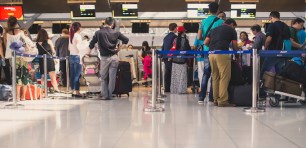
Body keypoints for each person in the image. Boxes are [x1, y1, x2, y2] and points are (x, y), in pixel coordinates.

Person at [89, 17, 129, 100]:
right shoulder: (116, 32)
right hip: (114, 58)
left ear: (104, 22)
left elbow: (91, 44)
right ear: (112, 24)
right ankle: (110, 95)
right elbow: (126, 40)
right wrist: (119, 48)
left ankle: (105, 95)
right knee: (112, 77)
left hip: (105, 58)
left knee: (103, 78)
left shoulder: (98, 32)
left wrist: (88, 53)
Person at [205, 18, 238, 107]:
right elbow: (235, 45)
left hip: (211, 54)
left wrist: (214, 45)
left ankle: (216, 99)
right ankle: (223, 101)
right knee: (224, 77)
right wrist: (237, 54)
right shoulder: (231, 30)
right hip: (222, 54)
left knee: (215, 76)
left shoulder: (213, 29)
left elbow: (206, 42)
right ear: (232, 24)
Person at [197, 2, 224, 104]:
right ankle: (212, 97)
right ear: (218, 10)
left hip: (206, 49)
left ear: (209, 10)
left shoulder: (203, 21)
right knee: (215, 74)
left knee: (206, 74)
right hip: (217, 50)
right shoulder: (221, 22)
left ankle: (201, 97)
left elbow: (199, 37)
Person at [3, 16, 30, 101]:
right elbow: (26, 41)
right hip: (22, 55)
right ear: (16, 23)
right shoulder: (21, 32)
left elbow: (5, 43)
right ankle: (23, 96)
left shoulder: (5, 33)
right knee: (24, 74)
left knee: (16, 75)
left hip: (11, 56)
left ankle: (17, 96)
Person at [261, 11, 291, 78]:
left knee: (264, 71)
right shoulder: (286, 26)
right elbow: (290, 40)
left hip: (273, 52)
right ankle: (279, 87)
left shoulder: (272, 25)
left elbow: (269, 39)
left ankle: (261, 86)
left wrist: (265, 47)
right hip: (283, 52)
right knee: (280, 72)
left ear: (271, 17)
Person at [36, 29, 60, 93]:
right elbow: (53, 51)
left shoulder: (37, 43)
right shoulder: (49, 41)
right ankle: (56, 88)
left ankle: (42, 89)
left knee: (43, 76)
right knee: (52, 76)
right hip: (49, 60)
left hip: (41, 60)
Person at [170, 26, 191, 94]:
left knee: (175, 76)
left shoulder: (175, 39)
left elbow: (172, 49)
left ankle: (174, 90)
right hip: (183, 61)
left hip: (175, 60)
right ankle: (181, 90)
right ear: (183, 32)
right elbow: (188, 50)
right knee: (182, 76)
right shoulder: (185, 40)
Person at [68, 22, 84, 97]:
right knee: (77, 75)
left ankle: (73, 90)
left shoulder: (71, 36)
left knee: (72, 75)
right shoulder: (78, 36)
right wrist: (82, 52)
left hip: (71, 57)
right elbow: (78, 47)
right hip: (77, 57)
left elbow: (69, 48)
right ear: (79, 28)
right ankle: (77, 92)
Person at [162, 23, 177, 92]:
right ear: (174, 28)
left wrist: (163, 56)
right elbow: (174, 47)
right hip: (171, 57)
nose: (177, 29)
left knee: (167, 73)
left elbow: (163, 47)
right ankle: (173, 88)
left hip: (165, 57)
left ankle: (167, 88)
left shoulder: (165, 37)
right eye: (176, 28)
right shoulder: (175, 37)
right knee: (172, 72)